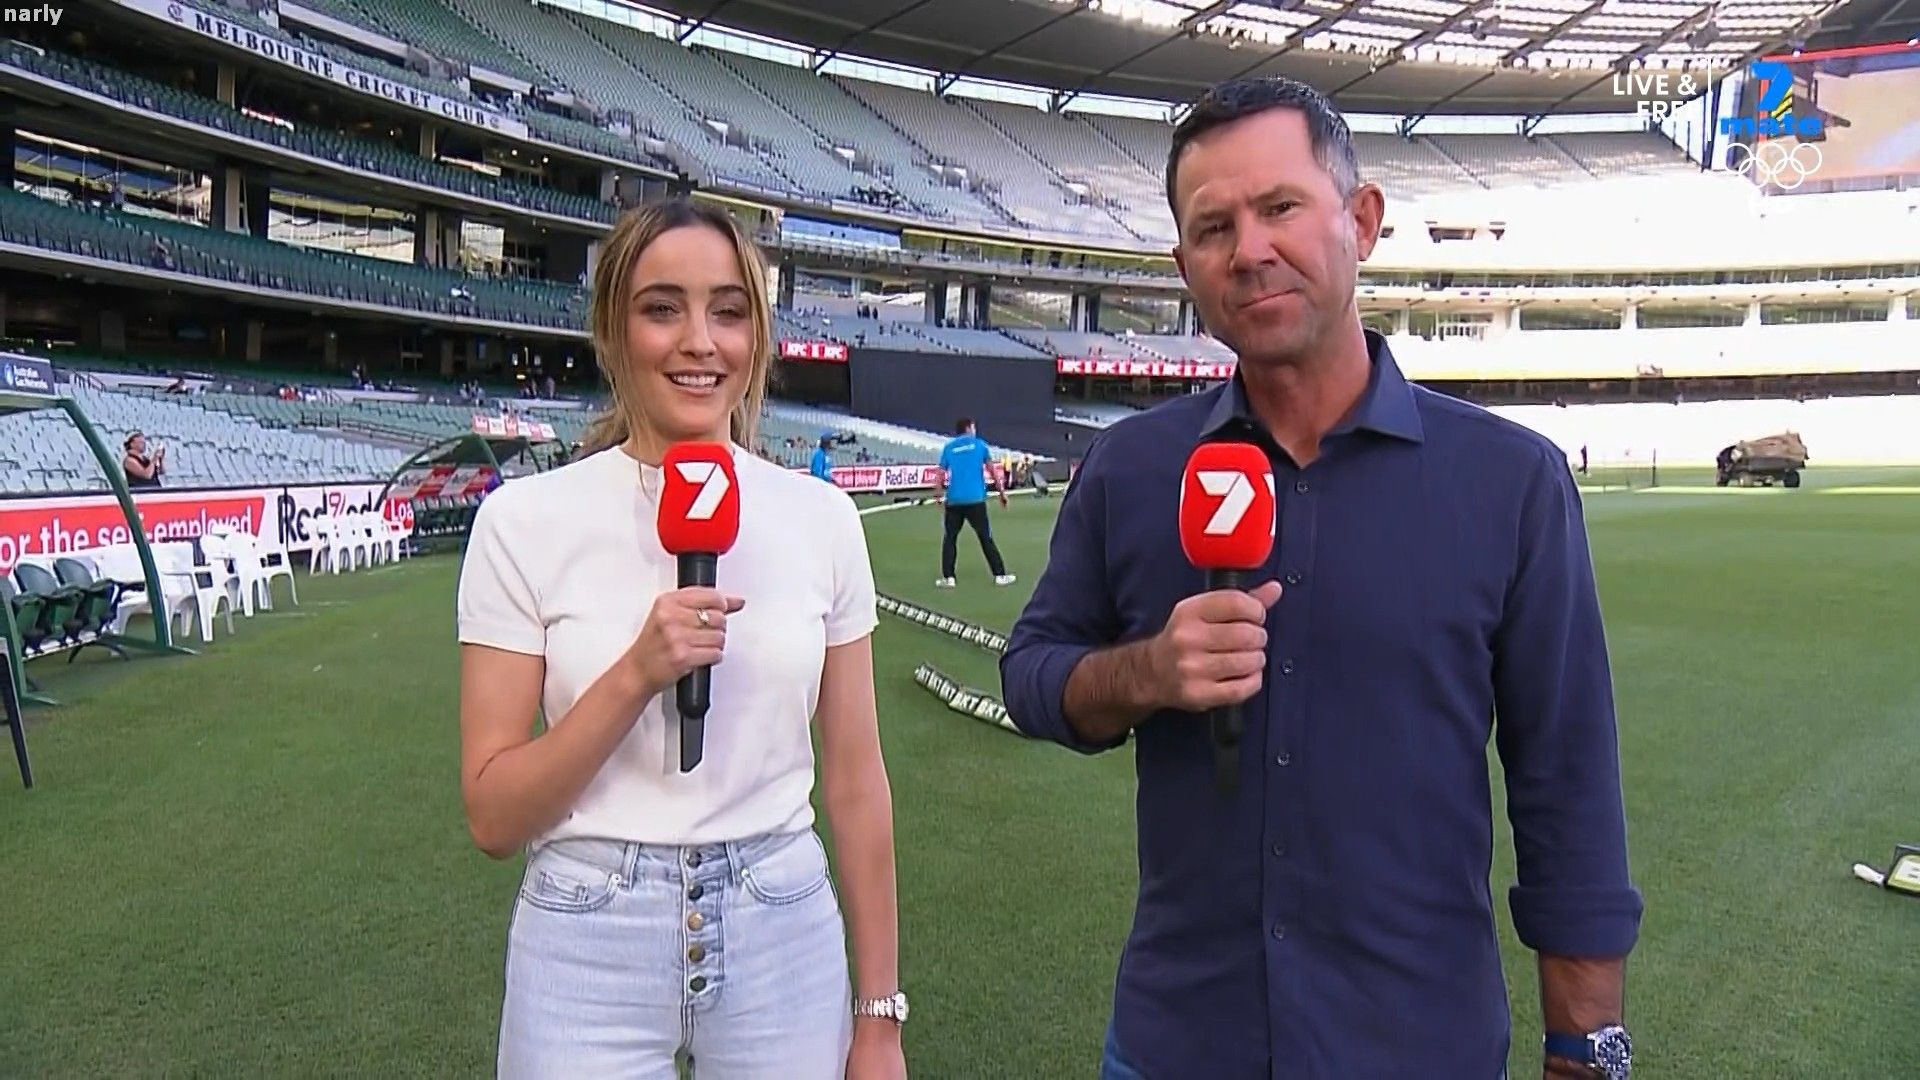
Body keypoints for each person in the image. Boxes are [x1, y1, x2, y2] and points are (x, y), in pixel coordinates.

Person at [1000, 77, 1641, 1080]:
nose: (1249, 249)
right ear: (1184, 266)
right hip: (1178, 1046)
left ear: (1363, 220)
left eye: (1281, 207)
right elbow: (1032, 674)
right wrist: (1145, 672)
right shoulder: (1131, 470)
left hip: (1419, 1051)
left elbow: (1568, 785)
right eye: (1214, 228)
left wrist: (1587, 1047)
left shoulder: (1511, 481)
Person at [456, 198, 908, 1080]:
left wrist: (879, 1017)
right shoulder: (523, 522)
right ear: (614, 331)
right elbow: (494, 817)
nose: (700, 342)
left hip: (783, 921)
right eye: (663, 309)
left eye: (729, 311)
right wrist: (635, 674)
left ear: (758, 337)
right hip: (585, 932)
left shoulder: (821, 518)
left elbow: (857, 781)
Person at [933, 417, 1013, 588]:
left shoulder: (949, 448)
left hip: (954, 500)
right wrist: (1002, 493)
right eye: (974, 428)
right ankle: (999, 575)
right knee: (985, 537)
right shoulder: (979, 445)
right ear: (969, 428)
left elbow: (940, 473)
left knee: (950, 538)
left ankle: (949, 578)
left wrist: (938, 494)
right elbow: (992, 471)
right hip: (975, 499)